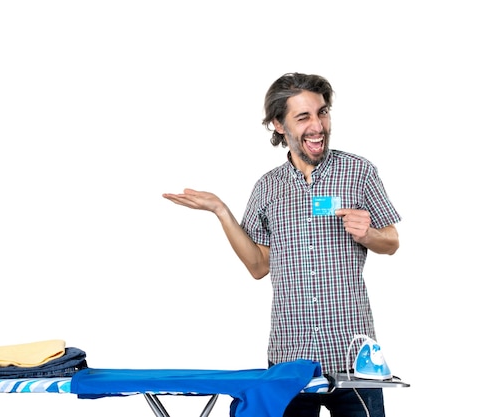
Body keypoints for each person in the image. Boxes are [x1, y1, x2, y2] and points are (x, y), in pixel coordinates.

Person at [162, 72, 401, 417]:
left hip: (354, 361)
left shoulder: (359, 172)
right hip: (290, 359)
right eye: (303, 117)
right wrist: (221, 211)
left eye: (322, 112)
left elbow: (391, 242)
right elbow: (259, 266)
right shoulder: (267, 188)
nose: (318, 125)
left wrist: (368, 234)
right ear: (278, 124)